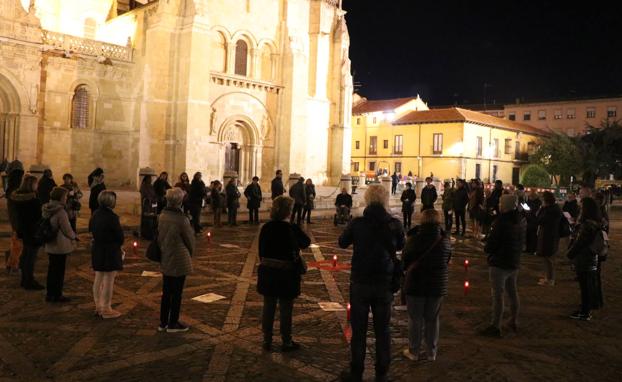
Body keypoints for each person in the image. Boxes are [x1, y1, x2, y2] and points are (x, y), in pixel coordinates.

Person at [338, 185, 405, 382]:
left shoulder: (357, 223)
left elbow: (342, 242)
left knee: (358, 329)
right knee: (383, 329)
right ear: (385, 200)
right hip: (384, 281)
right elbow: (401, 245)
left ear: (366, 199)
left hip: (360, 281)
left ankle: (356, 371)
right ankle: (382, 372)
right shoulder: (394, 224)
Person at [257, 196, 310, 351]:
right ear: (288, 211)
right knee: (286, 309)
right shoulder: (291, 229)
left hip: (268, 272)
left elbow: (261, 251)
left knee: (268, 307)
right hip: (286, 275)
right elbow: (306, 242)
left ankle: (267, 340)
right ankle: (286, 340)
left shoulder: (266, 227)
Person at [401, 209, 451, 362]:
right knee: (432, 319)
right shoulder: (445, 240)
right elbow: (447, 260)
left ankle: (414, 351)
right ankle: (431, 352)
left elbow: (405, 260)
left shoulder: (414, 239)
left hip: (416, 284)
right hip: (437, 286)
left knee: (415, 319)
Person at [481, 194, 526, 337]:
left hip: (500, 262)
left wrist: (487, 247)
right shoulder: (520, 220)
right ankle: (513, 320)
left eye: (501, 202)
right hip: (514, 261)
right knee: (512, 293)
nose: (499, 204)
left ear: (505, 205)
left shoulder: (501, 222)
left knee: (498, 295)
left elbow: (492, 244)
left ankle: (495, 325)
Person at [158, 188, 195, 332]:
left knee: (166, 292)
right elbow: (190, 241)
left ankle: (163, 322)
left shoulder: (162, 216)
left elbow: (160, 238)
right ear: (180, 201)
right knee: (177, 293)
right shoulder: (181, 219)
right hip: (179, 259)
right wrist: (190, 254)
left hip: (166, 256)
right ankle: (173, 323)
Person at [89, 191, 125, 319]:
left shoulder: (95, 214)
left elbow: (91, 229)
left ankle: (98, 306)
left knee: (98, 278)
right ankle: (106, 308)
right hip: (110, 250)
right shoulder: (112, 217)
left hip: (98, 248)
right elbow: (119, 236)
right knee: (109, 280)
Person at [566, 197, 602, 321]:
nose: (579, 208)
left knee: (585, 287)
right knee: (588, 286)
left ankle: (585, 312)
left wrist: (570, 254)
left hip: (585, 258)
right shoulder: (595, 222)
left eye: (581, 206)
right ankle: (586, 309)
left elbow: (580, 242)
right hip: (591, 258)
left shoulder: (587, 225)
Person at [43, 187, 78, 302]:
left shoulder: (47, 208)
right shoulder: (60, 212)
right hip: (60, 245)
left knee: (51, 269)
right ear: (60, 197)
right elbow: (67, 230)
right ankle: (57, 294)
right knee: (59, 271)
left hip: (50, 243)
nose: (66, 198)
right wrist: (74, 237)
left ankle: (50, 293)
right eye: (65, 196)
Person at [11, 175, 44, 290]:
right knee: (30, 257)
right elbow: (38, 217)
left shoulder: (17, 198)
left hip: (23, 230)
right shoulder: (33, 200)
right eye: (36, 183)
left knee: (25, 255)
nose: (37, 186)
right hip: (33, 231)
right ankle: (29, 281)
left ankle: (24, 279)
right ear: (31, 184)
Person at [536, 191, 563, 286]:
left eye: (542, 199)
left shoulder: (551, 210)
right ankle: (548, 277)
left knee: (548, 258)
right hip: (549, 235)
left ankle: (550, 279)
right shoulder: (552, 209)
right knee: (546, 257)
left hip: (549, 236)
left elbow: (540, 220)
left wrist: (541, 209)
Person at [5, 161, 24, 273]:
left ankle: (11, 263)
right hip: (18, 220)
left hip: (15, 220)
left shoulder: (11, 189)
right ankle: (13, 264)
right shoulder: (16, 191)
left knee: (15, 242)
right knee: (17, 243)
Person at [139, 175, 158, 239]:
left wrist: (154, 200)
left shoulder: (151, 186)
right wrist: (148, 199)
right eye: (149, 179)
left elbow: (154, 194)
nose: (150, 180)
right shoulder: (143, 186)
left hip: (153, 205)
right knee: (147, 220)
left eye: (151, 179)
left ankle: (151, 234)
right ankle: (146, 234)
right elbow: (143, 195)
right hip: (147, 205)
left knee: (153, 220)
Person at [524, 190, 542, 254]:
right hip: (528, 220)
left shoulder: (538, 202)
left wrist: (529, 210)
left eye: (531, 196)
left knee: (533, 236)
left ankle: (533, 249)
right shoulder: (529, 201)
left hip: (534, 221)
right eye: (529, 196)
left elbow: (536, 211)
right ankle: (528, 248)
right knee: (528, 235)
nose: (529, 197)